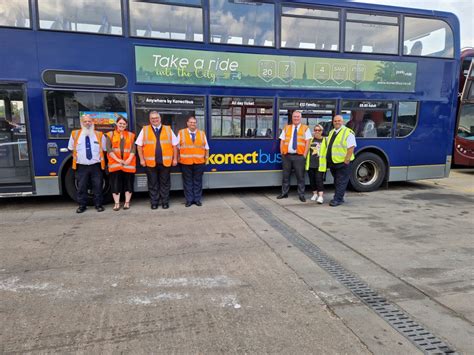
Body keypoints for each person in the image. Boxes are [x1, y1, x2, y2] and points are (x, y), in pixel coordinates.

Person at [136, 111, 178, 209]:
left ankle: (165, 202)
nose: (154, 120)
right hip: (150, 163)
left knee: (165, 184)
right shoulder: (145, 129)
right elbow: (139, 146)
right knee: (152, 184)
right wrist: (142, 160)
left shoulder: (168, 129)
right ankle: (154, 202)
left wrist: (175, 159)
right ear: (150, 120)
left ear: (160, 119)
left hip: (165, 162)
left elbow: (175, 145)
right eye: (152, 118)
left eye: (156, 118)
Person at [68, 114, 106, 213]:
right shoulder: (74, 134)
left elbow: (104, 149)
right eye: (85, 121)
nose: (87, 123)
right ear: (82, 123)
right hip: (81, 166)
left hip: (96, 166)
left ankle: (98, 205)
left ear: (92, 122)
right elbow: (71, 149)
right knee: (81, 187)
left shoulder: (99, 135)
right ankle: (82, 205)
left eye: (89, 121)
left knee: (97, 186)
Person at [319, 115, 356, 207]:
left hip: (343, 162)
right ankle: (340, 197)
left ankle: (337, 199)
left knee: (341, 181)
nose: (337, 122)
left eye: (339, 121)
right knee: (337, 181)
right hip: (333, 162)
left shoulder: (348, 132)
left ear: (342, 122)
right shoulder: (332, 132)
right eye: (335, 121)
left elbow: (351, 147)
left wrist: (346, 160)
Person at [277, 110, 312, 202]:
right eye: (294, 117)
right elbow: (282, 141)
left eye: (297, 117)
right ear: (292, 118)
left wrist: (304, 155)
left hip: (299, 157)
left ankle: (301, 195)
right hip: (287, 156)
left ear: (300, 118)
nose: (296, 118)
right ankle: (284, 193)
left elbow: (308, 142)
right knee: (285, 176)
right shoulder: (287, 128)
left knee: (300, 177)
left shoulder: (305, 128)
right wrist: (282, 153)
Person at [178, 116, 209, 207]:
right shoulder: (181, 133)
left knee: (198, 182)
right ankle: (189, 200)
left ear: (196, 124)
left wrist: (206, 160)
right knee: (187, 182)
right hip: (185, 162)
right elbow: (177, 147)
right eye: (191, 122)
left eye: (194, 122)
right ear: (187, 123)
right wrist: (178, 158)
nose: (192, 124)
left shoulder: (202, 133)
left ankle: (197, 200)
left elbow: (206, 148)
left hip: (199, 162)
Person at [106, 116, 136, 211]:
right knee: (115, 184)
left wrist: (128, 160)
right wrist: (118, 160)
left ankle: (127, 203)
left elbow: (133, 149)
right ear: (116, 123)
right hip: (115, 163)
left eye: (124, 124)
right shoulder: (110, 135)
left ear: (126, 125)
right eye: (120, 123)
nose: (122, 125)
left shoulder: (131, 135)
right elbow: (109, 149)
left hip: (128, 164)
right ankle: (117, 203)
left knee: (129, 184)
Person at [305, 124, 325, 204]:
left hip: (320, 164)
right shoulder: (311, 140)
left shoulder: (325, 140)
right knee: (312, 180)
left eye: (319, 130)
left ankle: (320, 196)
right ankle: (315, 194)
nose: (317, 132)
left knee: (319, 180)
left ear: (321, 131)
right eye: (315, 130)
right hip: (310, 164)